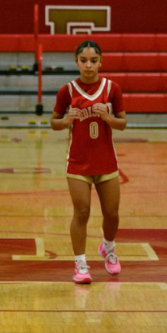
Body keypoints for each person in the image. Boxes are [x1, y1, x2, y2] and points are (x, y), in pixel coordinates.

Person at [50, 40, 127, 284]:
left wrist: (108, 117)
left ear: (101, 62)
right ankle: (80, 264)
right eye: (83, 60)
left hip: (106, 162)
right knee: (81, 212)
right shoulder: (68, 91)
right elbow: (54, 122)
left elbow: (123, 123)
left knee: (112, 213)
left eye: (93, 60)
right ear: (77, 62)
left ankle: (108, 248)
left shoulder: (112, 88)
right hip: (78, 163)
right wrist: (66, 121)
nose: (89, 65)